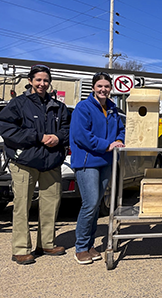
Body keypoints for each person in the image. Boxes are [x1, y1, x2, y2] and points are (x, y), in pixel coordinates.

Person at [0, 64, 70, 265]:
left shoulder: (58, 106)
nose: (42, 84)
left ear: (49, 82)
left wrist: (57, 137)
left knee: (51, 205)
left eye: (45, 80)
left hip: (51, 162)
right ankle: (21, 249)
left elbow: (67, 129)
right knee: (22, 205)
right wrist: (39, 136)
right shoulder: (18, 104)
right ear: (30, 81)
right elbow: (6, 127)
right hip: (24, 162)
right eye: (38, 80)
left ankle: (46, 243)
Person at [70, 72, 125, 265]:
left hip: (105, 162)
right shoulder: (83, 108)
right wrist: (106, 145)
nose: (103, 90)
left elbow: (121, 129)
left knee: (96, 204)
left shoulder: (112, 109)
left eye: (107, 86)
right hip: (87, 162)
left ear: (111, 89)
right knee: (90, 203)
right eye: (100, 86)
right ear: (93, 87)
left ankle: (90, 244)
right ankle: (81, 247)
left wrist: (119, 140)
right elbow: (80, 135)